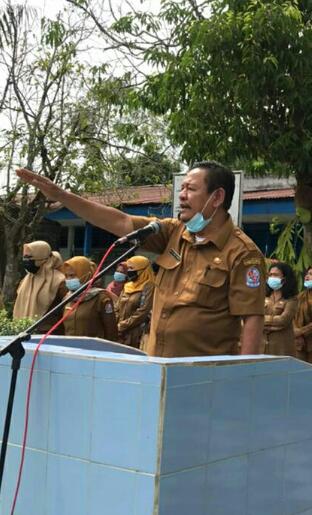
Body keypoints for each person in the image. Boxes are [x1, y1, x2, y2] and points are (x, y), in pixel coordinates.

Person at [16, 161, 266, 357]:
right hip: (158, 366)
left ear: (217, 197)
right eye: (182, 188)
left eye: (191, 189)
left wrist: (244, 383)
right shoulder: (173, 232)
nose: (182, 196)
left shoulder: (242, 253)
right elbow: (120, 221)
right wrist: (64, 196)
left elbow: (252, 319)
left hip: (205, 378)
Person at [13, 240, 67, 333]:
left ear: (42, 256)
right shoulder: (26, 280)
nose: (26, 260)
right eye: (24, 257)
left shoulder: (60, 280)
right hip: (23, 332)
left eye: (29, 257)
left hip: (49, 334)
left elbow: (66, 309)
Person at [62, 256, 118, 341]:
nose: (68, 279)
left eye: (72, 276)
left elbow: (111, 331)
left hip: (93, 350)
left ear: (85, 275)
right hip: (70, 349)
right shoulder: (67, 298)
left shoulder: (101, 298)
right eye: (66, 276)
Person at [116, 256, 154, 348]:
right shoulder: (127, 286)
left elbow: (143, 311)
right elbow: (117, 307)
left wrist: (123, 325)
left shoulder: (149, 287)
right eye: (128, 268)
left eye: (132, 268)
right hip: (120, 333)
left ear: (143, 270)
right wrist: (115, 325)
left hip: (137, 335)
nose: (129, 271)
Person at [264, 262, 298, 356]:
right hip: (262, 347)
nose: (271, 278)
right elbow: (253, 316)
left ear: (284, 279)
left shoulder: (292, 299)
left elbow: (283, 320)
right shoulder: (264, 296)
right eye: (270, 275)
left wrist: (261, 321)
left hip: (281, 348)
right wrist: (272, 323)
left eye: (275, 275)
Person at [294, 266, 312, 362]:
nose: (307, 277)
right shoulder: (300, 296)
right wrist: (296, 333)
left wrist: (300, 332)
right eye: (307, 274)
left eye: (311, 274)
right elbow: (293, 316)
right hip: (299, 342)